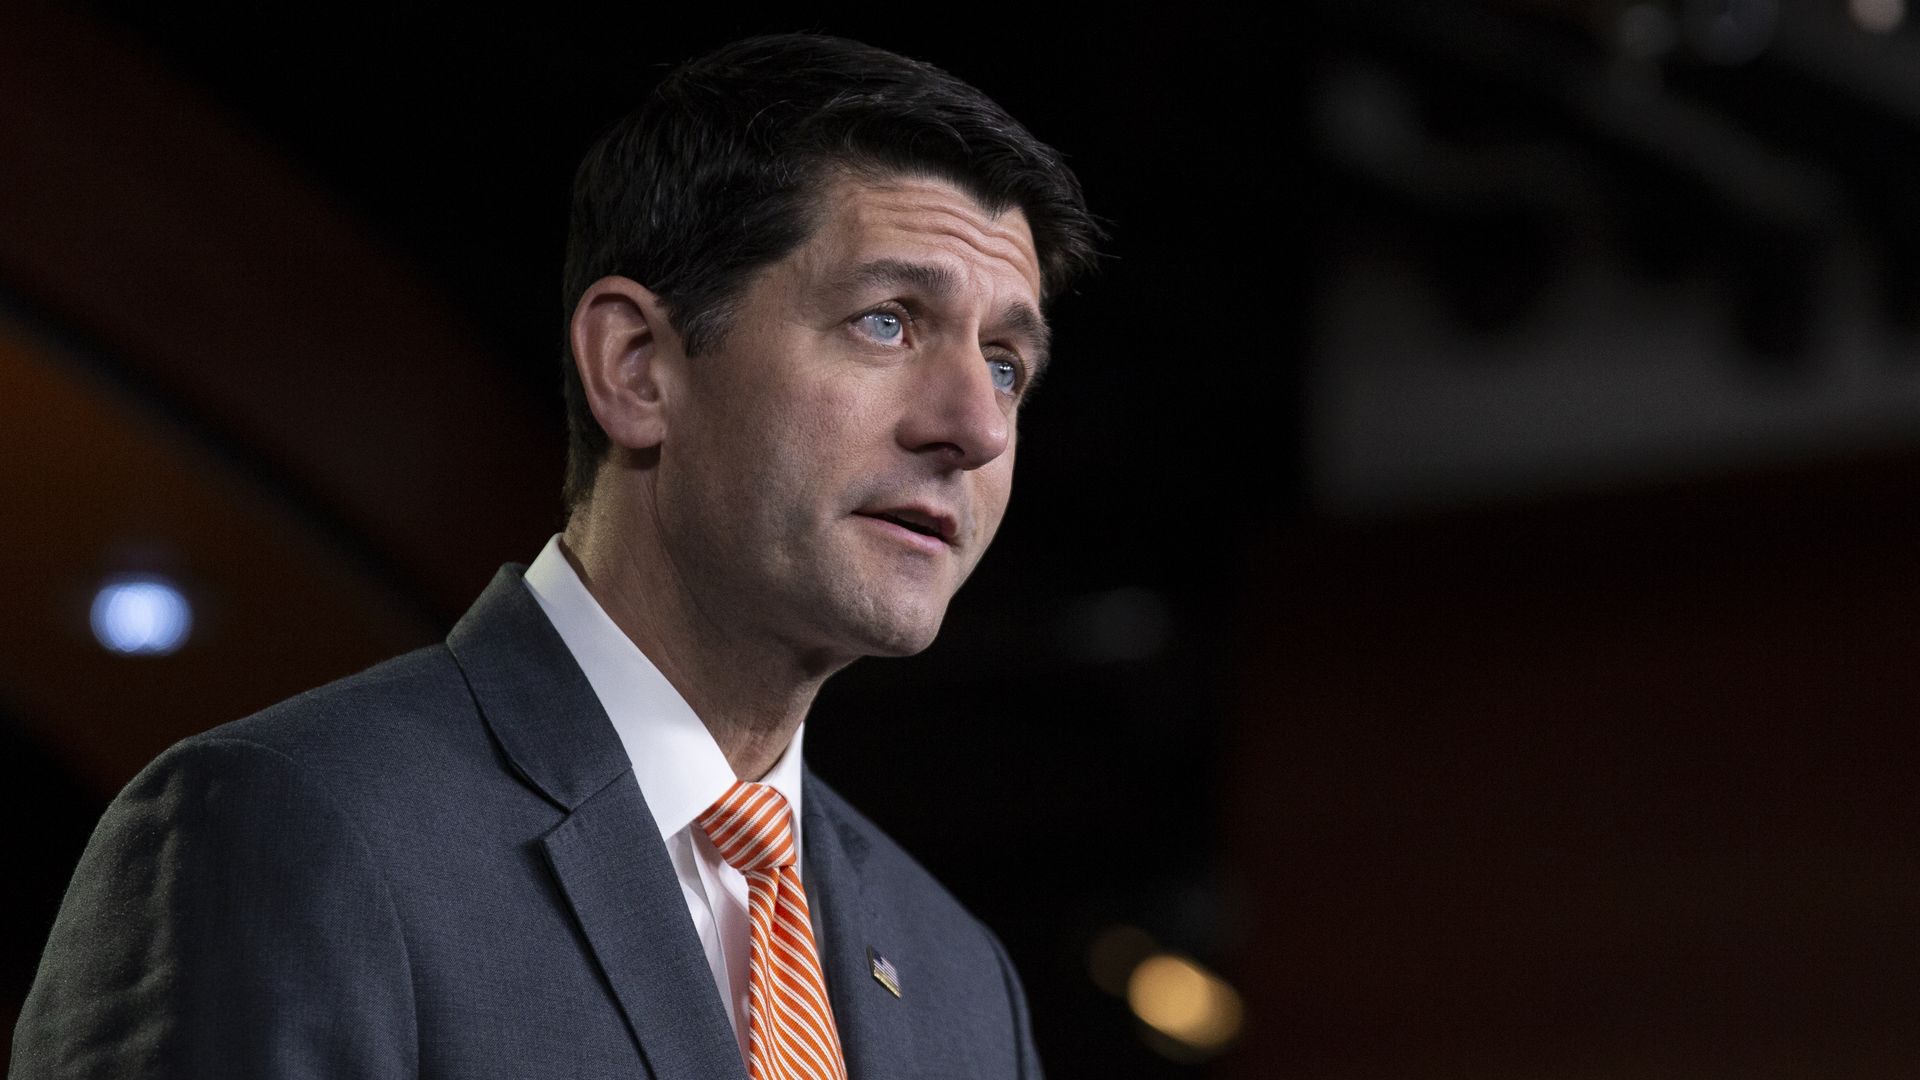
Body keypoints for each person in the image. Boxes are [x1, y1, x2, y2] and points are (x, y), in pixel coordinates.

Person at [11, 33, 1098, 1080]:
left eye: (1006, 364)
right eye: (889, 322)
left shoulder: (963, 981)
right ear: (636, 369)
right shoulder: (283, 832)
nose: (978, 426)